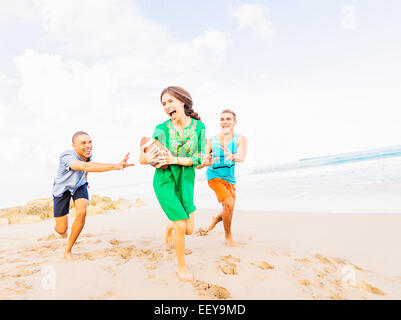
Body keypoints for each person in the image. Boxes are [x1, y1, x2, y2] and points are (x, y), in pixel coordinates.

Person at [139, 86, 211, 282]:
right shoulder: (160, 129)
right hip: (164, 180)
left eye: (170, 101)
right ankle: (181, 267)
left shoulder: (199, 127)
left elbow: (197, 159)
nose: (167, 106)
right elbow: (143, 157)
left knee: (189, 229)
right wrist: (145, 158)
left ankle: (169, 225)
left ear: (183, 101)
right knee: (181, 225)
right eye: (163, 103)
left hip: (186, 180)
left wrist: (177, 160)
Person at [52, 131, 134, 260]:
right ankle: (61, 231)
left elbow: (86, 168)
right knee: (61, 229)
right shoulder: (67, 156)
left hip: (79, 186)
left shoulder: (87, 154)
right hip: (62, 189)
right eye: (83, 143)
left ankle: (68, 250)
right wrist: (115, 165)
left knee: (82, 212)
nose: (88, 145)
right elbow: (84, 166)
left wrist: (85, 180)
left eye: (90, 142)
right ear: (74, 146)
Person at [204, 109, 247, 246]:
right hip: (214, 176)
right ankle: (228, 236)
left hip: (230, 178)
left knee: (229, 208)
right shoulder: (211, 141)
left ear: (234, 122)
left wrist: (232, 156)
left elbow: (241, 156)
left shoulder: (240, 139)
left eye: (228, 119)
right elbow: (203, 159)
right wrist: (204, 161)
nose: (225, 122)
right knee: (229, 204)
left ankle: (217, 218)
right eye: (222, 119)